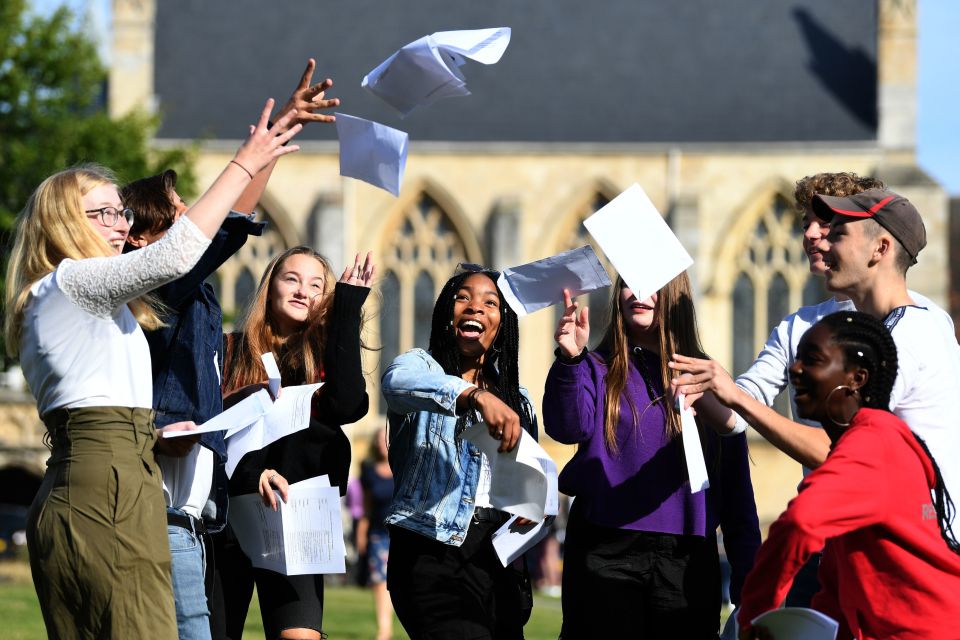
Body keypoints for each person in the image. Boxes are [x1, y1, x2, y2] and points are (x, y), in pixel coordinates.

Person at [3, 102, 302, 638]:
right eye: (104, 214)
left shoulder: (90, 303)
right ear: (65, 222)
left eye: (121, 211)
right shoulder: (70, 283)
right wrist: (245, 160)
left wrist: (156, 430)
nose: (120, 225)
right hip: (107, 487)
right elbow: (177, 254)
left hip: (106, 477)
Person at [118, 59, 339, 640]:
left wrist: (274, 141)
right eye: (177, 208)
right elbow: (216, 232)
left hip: (198, 513)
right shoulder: (158, 288)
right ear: (143, 239)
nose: (193, 212)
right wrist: (256, 152)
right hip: (165, 514)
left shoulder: (189, 293)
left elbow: (228, 224)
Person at [672, 189, 960, 509]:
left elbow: (839, 451)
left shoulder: (911, 332)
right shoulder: (870, 329)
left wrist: (737, 397)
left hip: (913, 542)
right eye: (807, 226)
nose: (819, 240)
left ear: (880, 248)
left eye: (835, 232)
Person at [543, 275, 761, 639]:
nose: (640, 293)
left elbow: (737, 493)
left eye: (653, 284)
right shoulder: (596, 366)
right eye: (630, 282)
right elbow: (567, 428)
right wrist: (570, 358)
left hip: (687, 557)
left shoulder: (710, 377)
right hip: (604, 549)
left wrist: (749, 587)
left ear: (674, 295)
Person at [736, 311, 960, 639]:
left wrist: (754, 616)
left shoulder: (870, 445)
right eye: (797, 359)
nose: (795, 369)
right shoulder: (875, 439)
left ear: (856, 379)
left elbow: (799, 525)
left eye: (812, 359)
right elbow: (839, 578)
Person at [210, 247, 374, 640]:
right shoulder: (229, 350)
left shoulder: (325, 358)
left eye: (316, 285)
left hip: (295, 518)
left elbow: (348, 404)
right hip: (230, 516)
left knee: (299, 635)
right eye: (292, 280)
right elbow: (211, 433)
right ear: (270, 287)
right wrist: (253, 474)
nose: (303, 291)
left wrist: (347, 309)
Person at [381, 266, 539, 640]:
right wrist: (473, 396)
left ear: (503, 323)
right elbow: (395, 384)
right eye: (463, 298)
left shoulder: (520, 400)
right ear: (446, 315)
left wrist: (532, 510)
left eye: (490, 303)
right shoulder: (420, 366)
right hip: (432, 547)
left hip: (499, 555)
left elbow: (526, 483)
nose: (475, 308)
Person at [356, 428, 395, 640]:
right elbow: (366, 507)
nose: (382, 443)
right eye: (379, 439)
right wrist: (362, 534)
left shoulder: (402, 466)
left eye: (386, 439)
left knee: (397, 583)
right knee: (379, 582)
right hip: (378, 535)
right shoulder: (369, 471)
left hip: (400, 534)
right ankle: (384, 629)